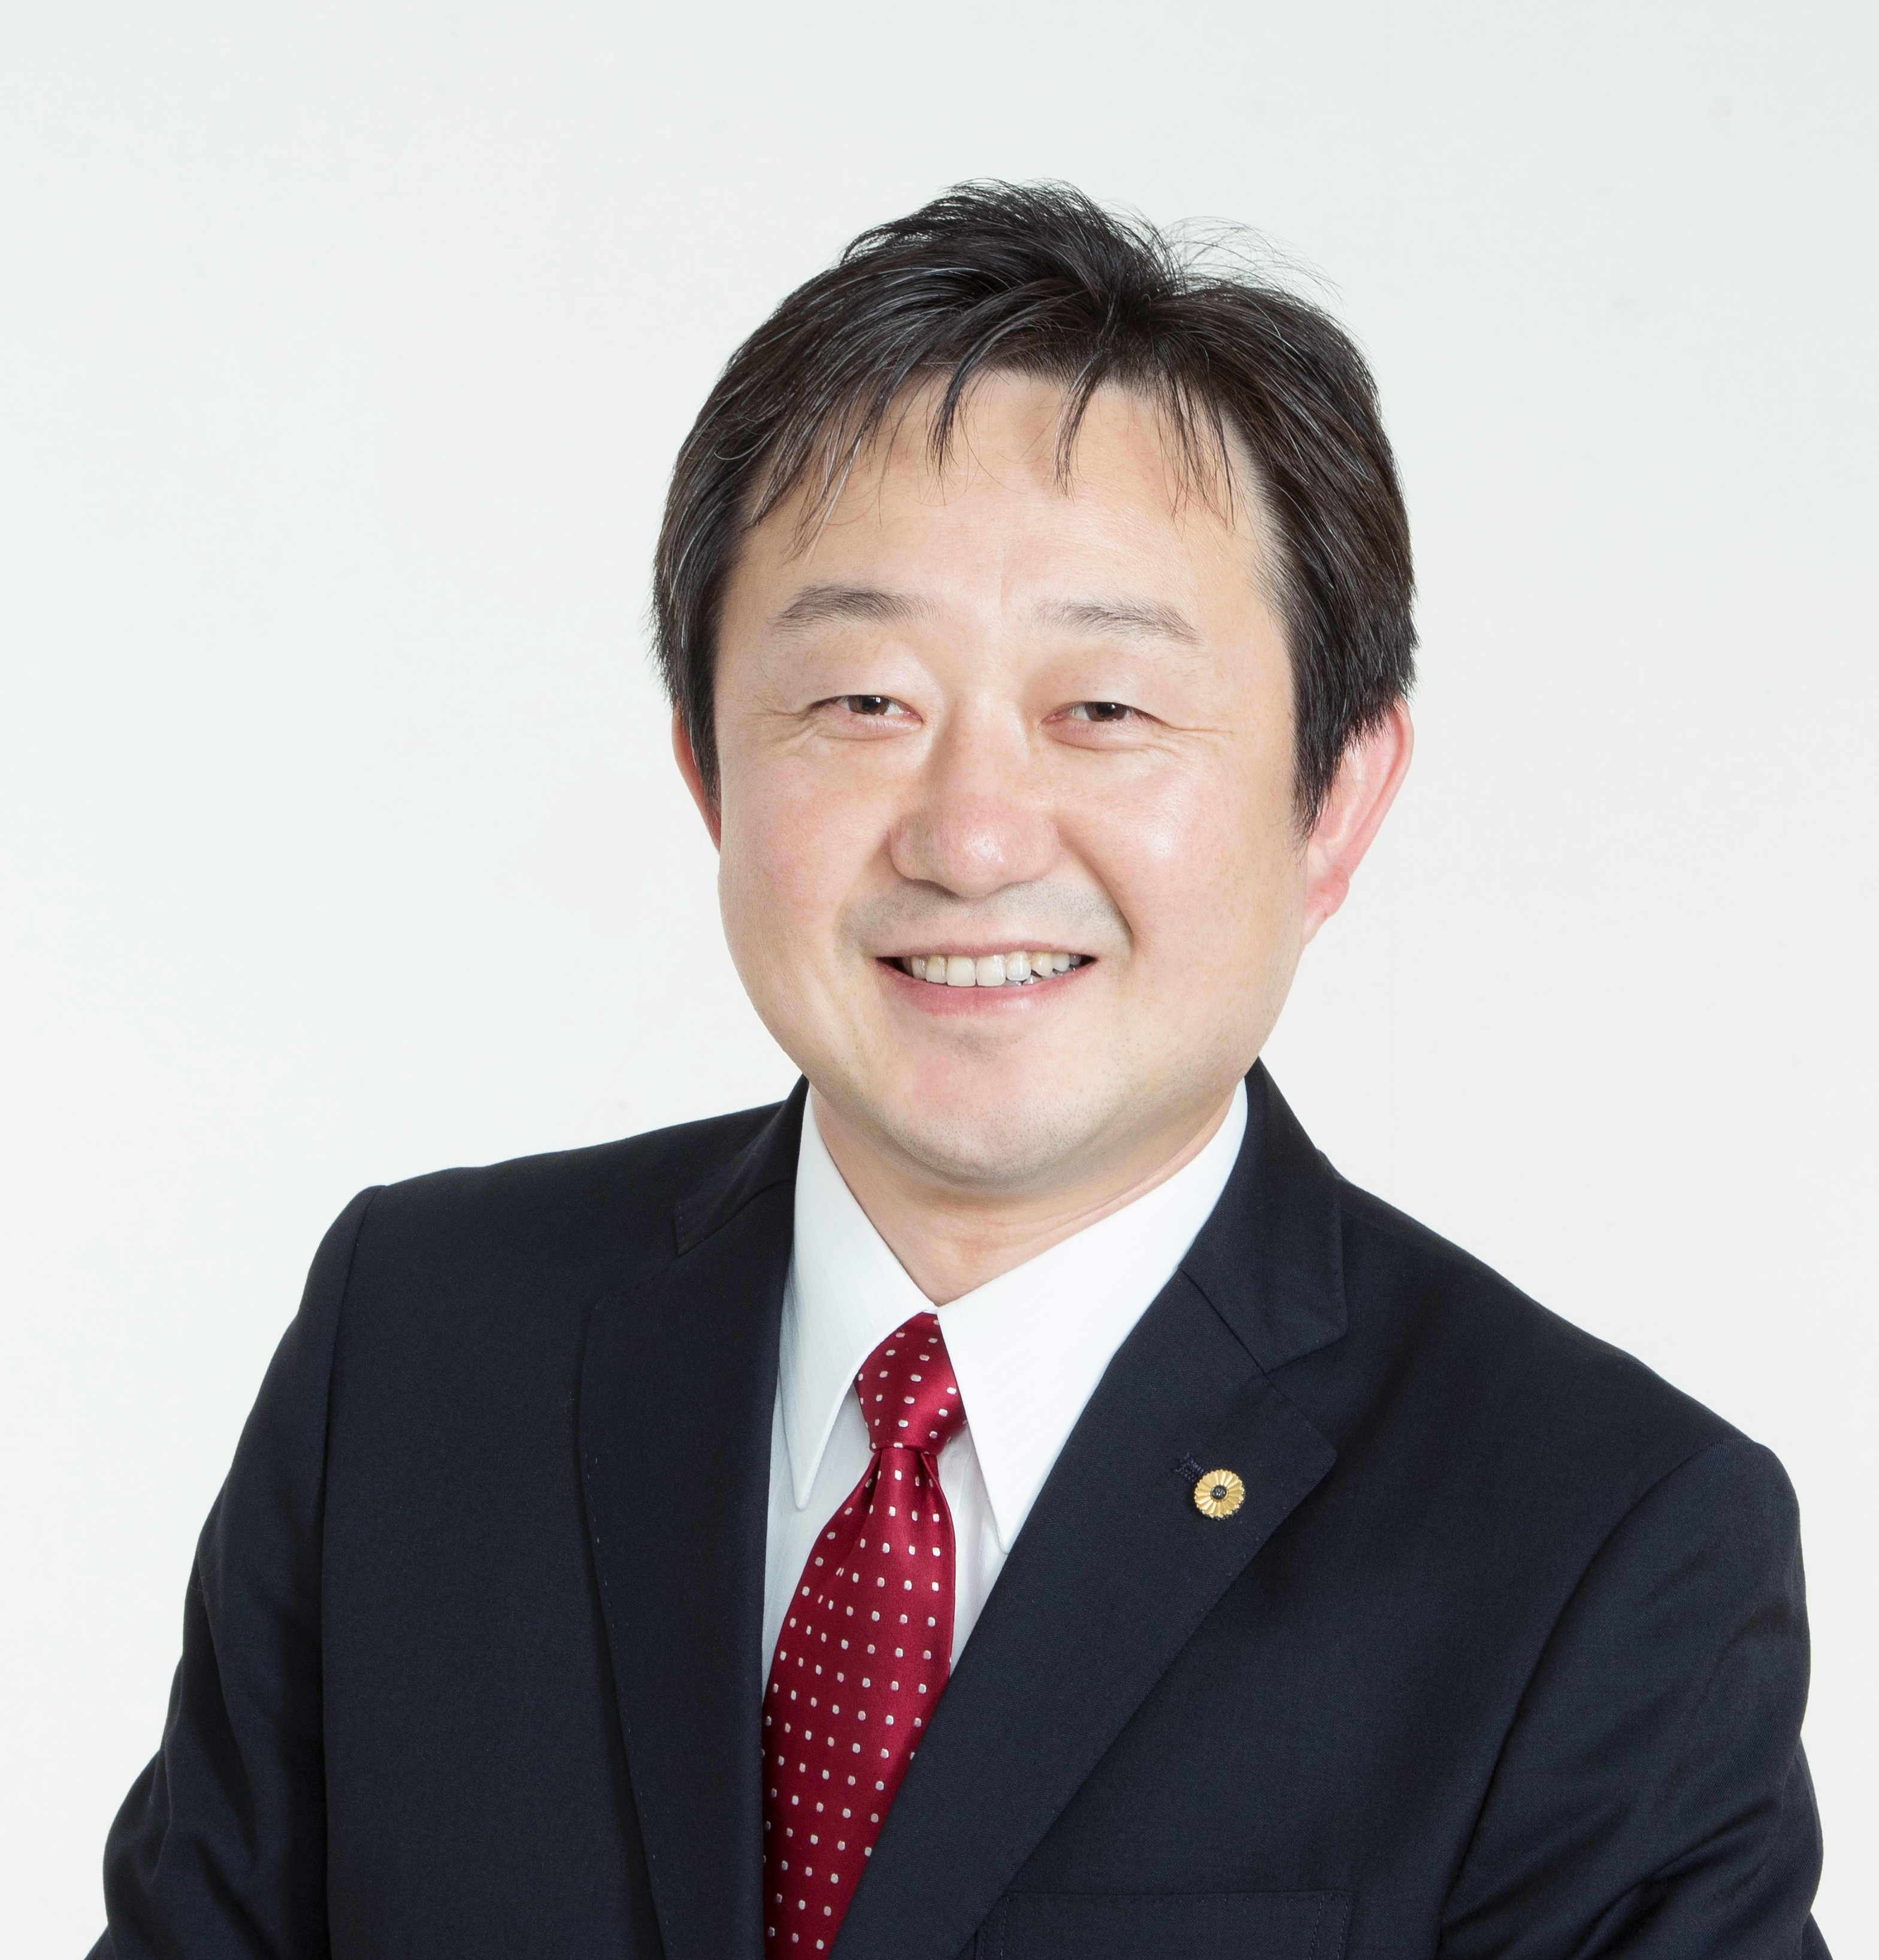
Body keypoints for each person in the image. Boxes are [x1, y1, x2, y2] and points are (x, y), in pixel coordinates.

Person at [89, 182, 1827, 1960]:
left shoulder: (1600, 1549)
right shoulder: (418, 1347)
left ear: (1336, 799)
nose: (973, 836)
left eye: (1105, 710)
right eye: (863, 702)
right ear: (707, 769)